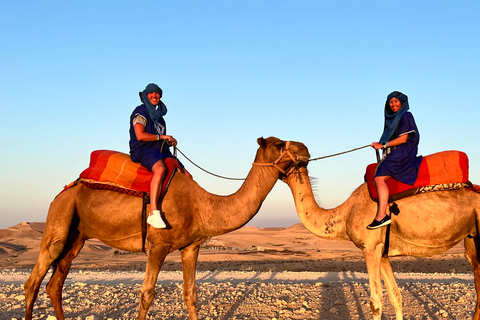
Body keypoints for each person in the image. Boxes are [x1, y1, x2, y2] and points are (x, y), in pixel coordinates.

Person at [129, 83, 192, 228]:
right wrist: (161, 137)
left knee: (187, 176)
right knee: (160, 169)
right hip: (143, 149)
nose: (154, 96)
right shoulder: (141, 111)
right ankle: (153, 212)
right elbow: (140, 135)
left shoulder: (160, 118)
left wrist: (168, 141)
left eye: (157, 93)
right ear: (145, 95)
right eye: (151, 93)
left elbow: (160, 137)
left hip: (160, 150)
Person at [367, 91, 423, 230]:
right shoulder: (392, 119)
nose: (393, 104)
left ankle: (382, 216)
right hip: (396, 152)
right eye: (391, 102)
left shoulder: (405, 115)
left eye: (396, 101)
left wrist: (384, 145)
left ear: (402, 103)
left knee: (379, 178)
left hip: (403, 152)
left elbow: (404, 139)